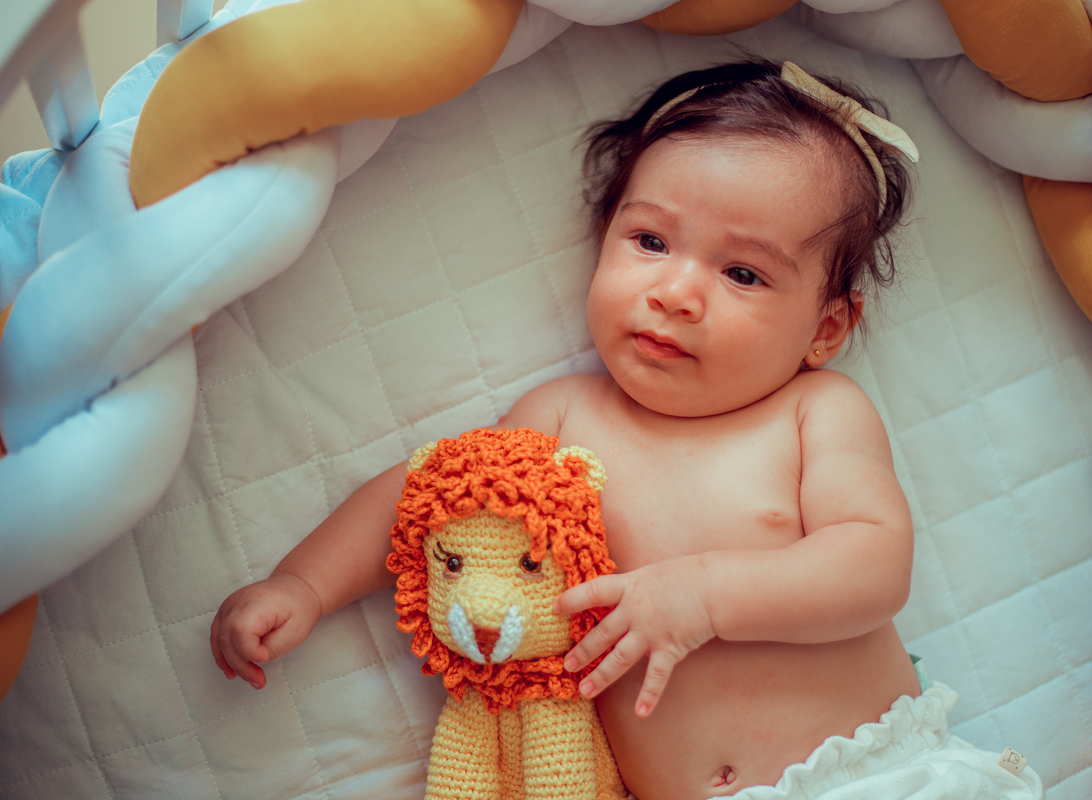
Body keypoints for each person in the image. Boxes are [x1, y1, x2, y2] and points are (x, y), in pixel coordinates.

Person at [210, 58, 1042, 799]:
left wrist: (703, 597)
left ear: (826, 327)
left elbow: (872, 567)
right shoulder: (562, 421)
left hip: (869, 777)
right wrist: (303, 586)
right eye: (650, 241)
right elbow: (425, 499)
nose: (676, 293)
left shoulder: (813, 414)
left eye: (742, 272)